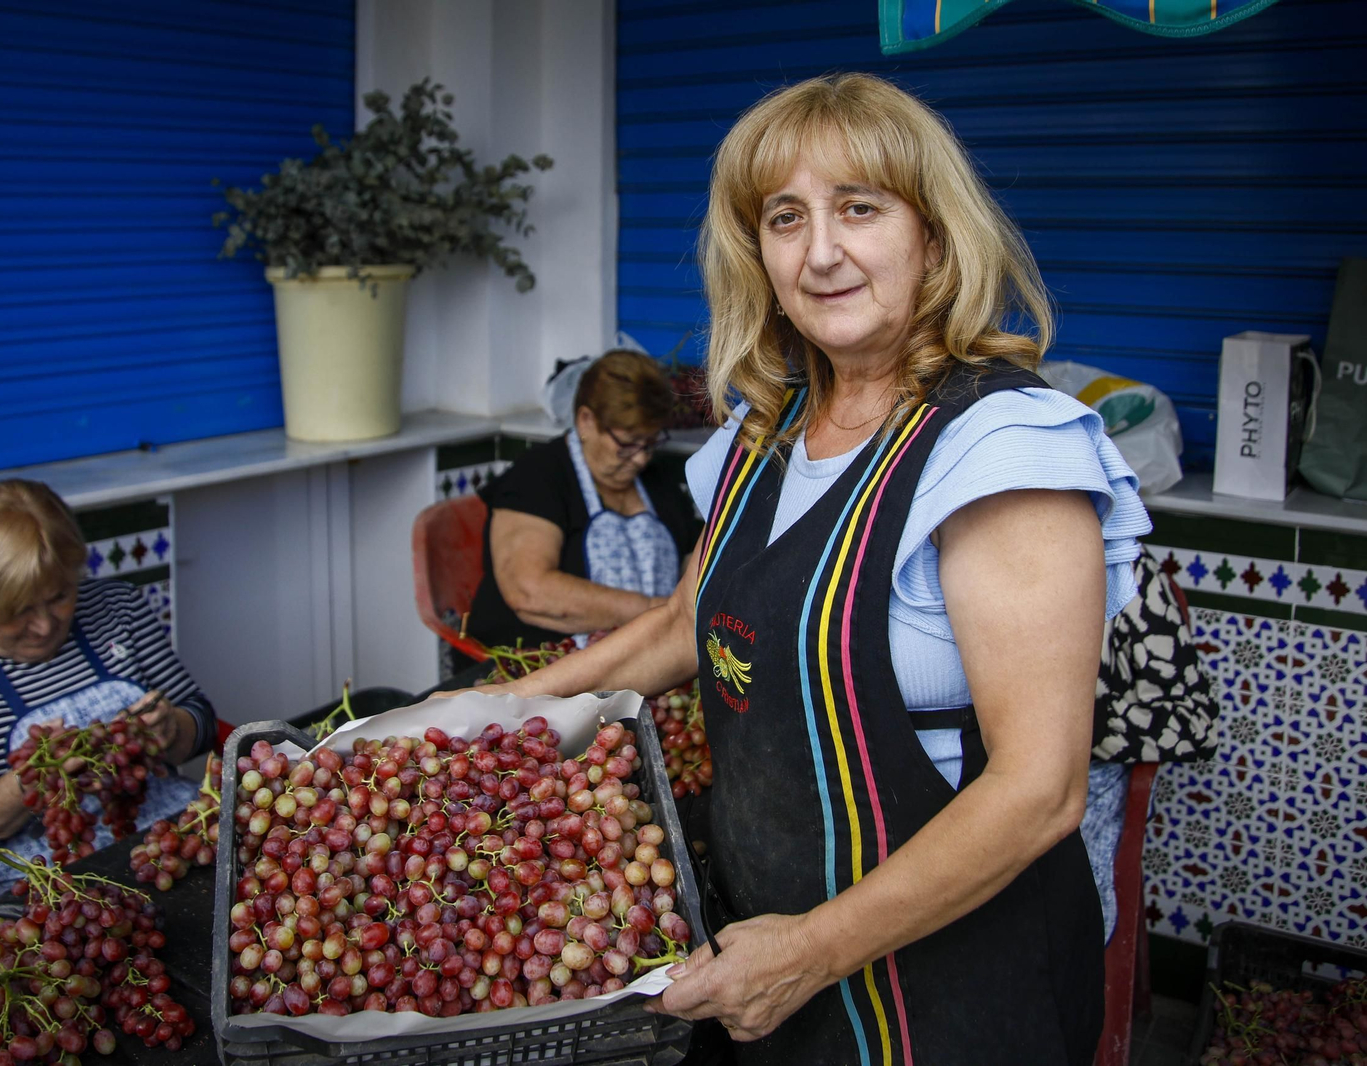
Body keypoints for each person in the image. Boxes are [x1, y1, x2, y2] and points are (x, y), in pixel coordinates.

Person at [468, 74, 1150, 1062]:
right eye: (785, 218)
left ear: (933, 232)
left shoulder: (1000, 447)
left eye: (859, 208)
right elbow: (679, 627)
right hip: (775, 954)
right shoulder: (767, 427)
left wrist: (810, 951)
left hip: (954, 992)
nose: (820, 251)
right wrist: (493, 721)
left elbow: (1039, 789)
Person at [0, 479, 216, 896]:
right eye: (18, 610)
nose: (44, 625)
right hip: (51, 883)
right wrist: (27, 784)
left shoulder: (119, 608)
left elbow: (201, 721)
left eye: (59, 596)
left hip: (173, 842)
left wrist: (172, 728)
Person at [465, 350, 702, 649]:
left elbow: (691, 561)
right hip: (537, 659)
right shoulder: (539, 476)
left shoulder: (658, 483)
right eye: (627, 444)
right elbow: (529, 590)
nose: (641, 458)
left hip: (638, 655)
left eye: (651, 443)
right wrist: (659, 611)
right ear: (586, 421)